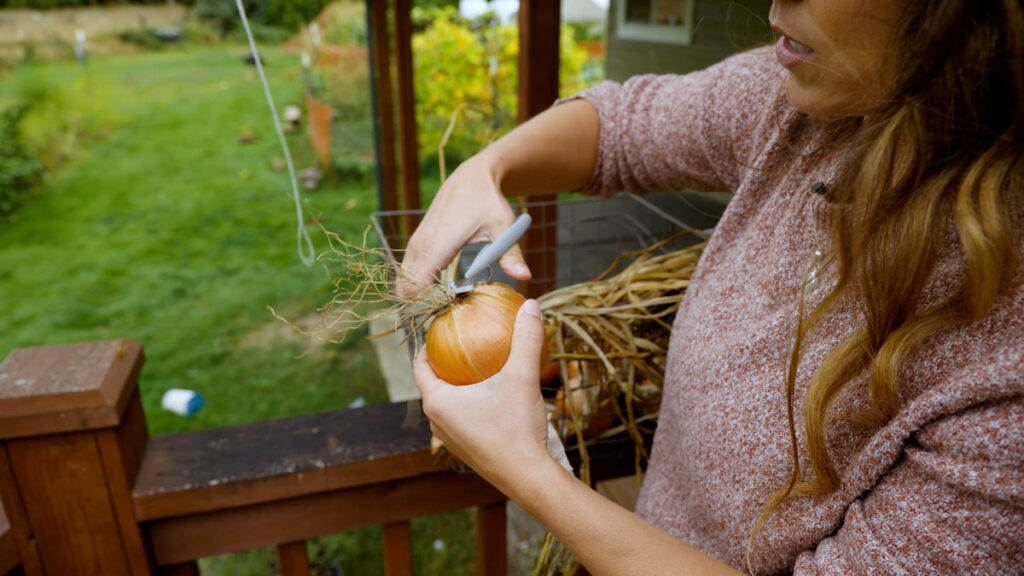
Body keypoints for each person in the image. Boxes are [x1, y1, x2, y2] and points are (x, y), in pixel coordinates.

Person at [400, 0, 1024, 573]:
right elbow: (622, 127)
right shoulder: (809, 98)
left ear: (968, 20)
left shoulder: (1003, 358)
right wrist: (486, 167)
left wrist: (528, 472)